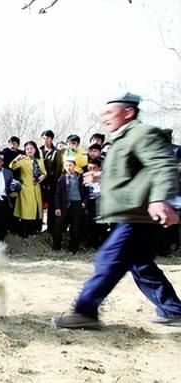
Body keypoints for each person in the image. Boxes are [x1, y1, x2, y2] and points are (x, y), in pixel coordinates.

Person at [55, 92, 181, 329]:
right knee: (141, 264)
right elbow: (134, 171)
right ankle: (173, 310)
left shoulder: (142, 134)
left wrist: (160, 199)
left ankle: (85, 312)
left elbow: (163, 165)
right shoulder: (123, 138)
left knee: (108, 259)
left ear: (128, 112)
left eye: (109, 114)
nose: (104, 119)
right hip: (135, 213)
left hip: (139, 214)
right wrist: (101, 175)